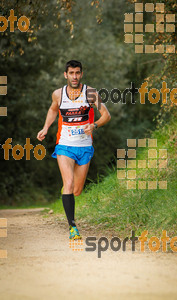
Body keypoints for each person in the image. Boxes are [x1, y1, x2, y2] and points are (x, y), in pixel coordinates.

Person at [37, 60, 111, 240]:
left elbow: (107, 115)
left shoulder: (90, 93)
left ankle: (67, 192)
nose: (75, 76)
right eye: (71, 73)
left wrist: (94, 125)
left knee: (76, 190)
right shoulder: (58, 94)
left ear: (81, 74)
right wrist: (46, 127)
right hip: (65, 145)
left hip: (84, 147)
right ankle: (72, 227)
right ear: (66, 75)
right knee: (69, 183)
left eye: (77, 73)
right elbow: (53, 110)